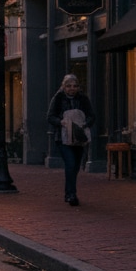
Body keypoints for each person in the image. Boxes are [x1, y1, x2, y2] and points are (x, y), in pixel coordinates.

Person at [46, 74, 95, 206]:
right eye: (69, 86)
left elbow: (92, 115)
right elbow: (50, 116)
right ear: (64, 87)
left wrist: (85, 123)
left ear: (78, 87)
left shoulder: (83, 99)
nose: (72, 89)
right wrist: (60, 122)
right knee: (70, 163)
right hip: (63, 137)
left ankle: (69, 192)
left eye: (75, 86)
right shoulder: (58, 98)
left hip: (79, 137)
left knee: (76, 166)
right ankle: (71, 194)